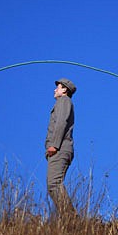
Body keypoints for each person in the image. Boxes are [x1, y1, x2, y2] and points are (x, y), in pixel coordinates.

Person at [45, 78, 77, 218]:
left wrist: (54, 145)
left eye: (57, 87)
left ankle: (70, 217)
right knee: (53, 184)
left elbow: (61, 123)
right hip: (59, 148)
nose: (54, 90)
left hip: (59, 148)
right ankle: (69, 217)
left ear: (64, 89)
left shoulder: (64, 101)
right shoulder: (62, 102)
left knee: (54, 184)